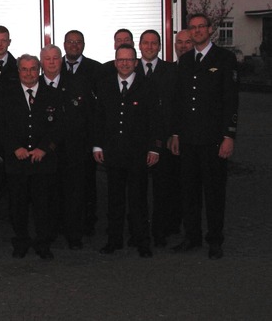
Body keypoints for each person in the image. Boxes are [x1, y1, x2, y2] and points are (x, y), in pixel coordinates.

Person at [169, 13, 239, 260]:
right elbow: (179, 101)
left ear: (210, 29)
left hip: (213, 140)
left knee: (214, 192)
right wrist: (176, 133)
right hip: (188, 140)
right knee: (189, 191)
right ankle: (192, 236)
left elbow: (231, 101)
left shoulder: (225, 58)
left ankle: (215, 240)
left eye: (201, 27)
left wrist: (229, 136)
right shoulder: (185, 61)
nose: (197, 31)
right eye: (193, 28)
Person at [93, 44, 161, 258]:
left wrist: (154, 148)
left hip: (138, 154)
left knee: (139, 200)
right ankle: (114, 241)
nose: (124, 63)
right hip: (113, 153)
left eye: (129, 60)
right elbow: (98, 119)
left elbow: (154, 121)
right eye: (120, 60)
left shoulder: (148, 86)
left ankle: (142, 241)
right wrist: (97, 145)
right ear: (115, 62)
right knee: (114, 201)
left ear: (135, 62)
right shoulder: (104, 86)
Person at [0, 54, 61, 260]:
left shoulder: (53, 94)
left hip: (43, 162)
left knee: (44, 206)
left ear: (39, 70)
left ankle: (43, 243)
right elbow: (0, 127)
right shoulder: (7, 96)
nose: (29, 73)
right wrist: (14, 148)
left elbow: (60, 128)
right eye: (24, 69)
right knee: (18, 207)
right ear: (18, 71)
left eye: (33, 69)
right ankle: (21, 241)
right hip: (18, 162)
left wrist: (45, 148)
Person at [41, 44, 92, 250]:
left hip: (72, 151)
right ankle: (50, 231)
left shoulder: (77, 83)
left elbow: (86, 116)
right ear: (41, 62)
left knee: (73, 195)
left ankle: (74, 234)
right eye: (48, 58)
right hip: (45, 152)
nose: (52, 62)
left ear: (61, 61)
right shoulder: (34, 85)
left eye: (56, 58)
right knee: (48, 195)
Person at [136, 30, 179, 247]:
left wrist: (174, 134)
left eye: (154, 43)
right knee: (137, 190)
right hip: (135, 142)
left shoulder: (172, 71)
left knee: (163, 190)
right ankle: (139, 232)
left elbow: (177, 106)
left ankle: (160, 231)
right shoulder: (128, 69)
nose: (150, 47)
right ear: (139, 46)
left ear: (160, 46)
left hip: (163, 139)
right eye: (146, 43)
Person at [62, 30, 102, 236]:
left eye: (78, 42)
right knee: (61, 186)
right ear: (64, 44)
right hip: (59, 142)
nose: (74, 46)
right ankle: (63, 225)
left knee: (86, 185)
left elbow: (99, 108)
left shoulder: (96, 69)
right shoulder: (54, 66)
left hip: (85, 139)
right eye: (70, 42)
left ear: (84, 45)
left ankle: (87, 225)